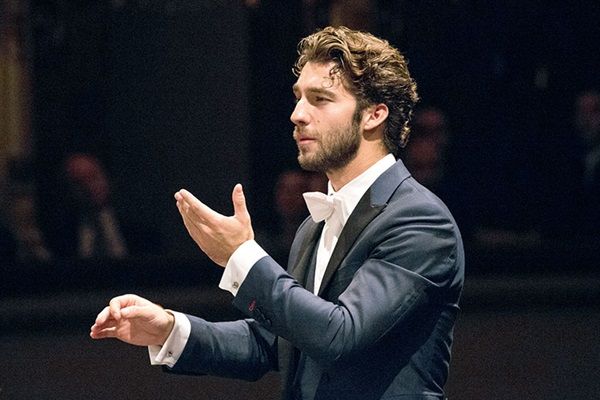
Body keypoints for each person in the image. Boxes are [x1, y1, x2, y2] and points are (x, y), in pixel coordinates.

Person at [91, 26, 465, 400]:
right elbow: (279, 340)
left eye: (320, 99)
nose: (297, 114)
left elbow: (340, 335)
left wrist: (242, 255)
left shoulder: (418, 220)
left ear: (373, 115)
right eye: (298, 97)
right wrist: (168, 329)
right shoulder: (312, 228)